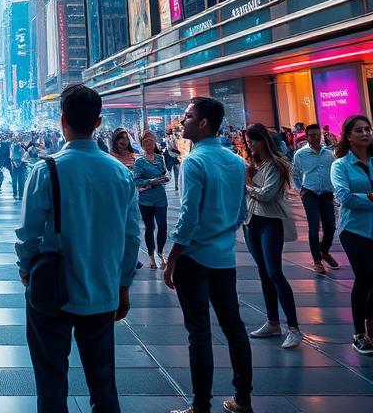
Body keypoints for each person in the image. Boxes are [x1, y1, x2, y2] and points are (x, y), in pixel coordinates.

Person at [15, 84, 138, 413]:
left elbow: (28, 234)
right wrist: (123, 285)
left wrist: (26, 269)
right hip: (101, 289)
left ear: (62, 121)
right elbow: (132, 237)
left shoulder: (46, 170)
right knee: (103, 382)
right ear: (98, 123)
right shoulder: (120, 173)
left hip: (52, 290)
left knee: (51, 383)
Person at [163, 97, 252, 413]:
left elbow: (189, 215)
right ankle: (243, 399)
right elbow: (242, 211)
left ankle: (201, 405)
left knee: (198, 332)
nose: (181, 122)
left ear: (203, 123)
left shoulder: (194, 162)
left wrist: (173, 256)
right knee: (234, 326)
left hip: (195, 257)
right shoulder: (237, 162)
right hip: (224, 257)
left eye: (187, 117)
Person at [241, 123, 301, 348]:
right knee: (263, 272)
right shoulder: (254, 165)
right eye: (248, 142)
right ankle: (272, 321)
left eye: (252, 141)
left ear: (263, 140)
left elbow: (266, 195)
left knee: (275, 272)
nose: (250, 146)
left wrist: (247, 186)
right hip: (251, 223)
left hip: (270, 223)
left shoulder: (275, 165)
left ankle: (293, 327)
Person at [330, 113, 373, 355]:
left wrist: (365, 198)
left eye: (367, 129)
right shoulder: (340, 165)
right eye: (359, 130)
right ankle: (358, 333)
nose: (365, 133)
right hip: (354, 229)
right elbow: (344, 197)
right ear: (348, 136)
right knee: (365, 276)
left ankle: (370, 325)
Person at [292, 123, 338, 275]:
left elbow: (333, 172)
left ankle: (324, 250)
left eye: (318, 134)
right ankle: (317, 260)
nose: (316, 137)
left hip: (327, 194)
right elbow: (295, 174)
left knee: (330, 225)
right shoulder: (300, 154)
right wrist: (301, 190)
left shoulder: (328, 154)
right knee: (314, 227)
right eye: (312, 135)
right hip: (310, 193)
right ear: (307, 137)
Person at [134, 129, 170, 270]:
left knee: (163, 226)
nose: (148, 143)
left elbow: (164, 173)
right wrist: (151, 181)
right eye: (146, 141)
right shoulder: (139, 161)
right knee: (150, 227)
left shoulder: (160, 158)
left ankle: (160, 252)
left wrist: (165, 178)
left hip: (160, 197)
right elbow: (136, 180)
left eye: (151, 140)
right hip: (146, 199)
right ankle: (150, 255)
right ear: (142, 144)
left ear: (154, 142)